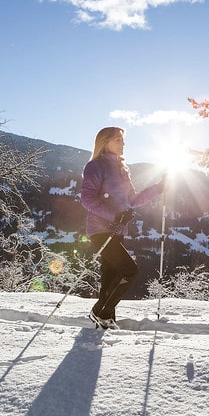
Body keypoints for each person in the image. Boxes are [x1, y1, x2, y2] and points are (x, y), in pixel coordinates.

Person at [80, 127, 165, 329]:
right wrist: (115, 215)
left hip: (117, 231)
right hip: (100, 229)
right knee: (130, 271)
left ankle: (105, 321)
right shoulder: (95, 166)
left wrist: (159, 188)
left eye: (123, 140)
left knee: (110, 276)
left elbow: (133, 200)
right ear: (105, 142)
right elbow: (87, 198)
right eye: (118, 140)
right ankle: (100, 312)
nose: (122, 143)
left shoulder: (122, 169)